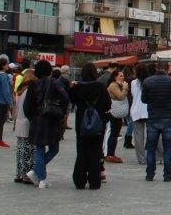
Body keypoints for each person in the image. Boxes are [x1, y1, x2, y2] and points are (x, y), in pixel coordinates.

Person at [22, 59, 69, 189]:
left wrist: (33, 117)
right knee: (54, 149)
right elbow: (65, 97)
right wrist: (61, 112)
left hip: (37, 120)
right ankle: (38, 174)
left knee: (40, 148)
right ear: (49, 70)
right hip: (53, 119)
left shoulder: (33, 84)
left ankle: (39, 176)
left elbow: (27, 106)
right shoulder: (54, 82)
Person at [68, 63, 110, 190]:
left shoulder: (78, 87)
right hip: (98, 124)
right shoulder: (101, 87)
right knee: (96, 151)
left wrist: (72, 88)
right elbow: (108, 105)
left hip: (82, 123)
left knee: (82, 151)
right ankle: (94, 180)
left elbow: (72, 101)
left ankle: (79, 180)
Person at [141, 61, 171, 181]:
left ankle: (150, 174)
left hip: (153, 117)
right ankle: (167, 175)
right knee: (168, 148)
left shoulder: (147, 81)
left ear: (156, 68)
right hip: (168, 117)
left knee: (151, 148)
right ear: (167, 68)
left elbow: (144, 99)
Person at [13, 68, 36, 184]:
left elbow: (15, 109)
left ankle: (19, 174)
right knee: (29, 151)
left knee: (20, 151)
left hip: (19, 122)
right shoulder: (30, 91)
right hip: (27, 123)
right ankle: (27, 175)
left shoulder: (19, 91)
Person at [105, 70, 130, 165]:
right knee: (113, 133)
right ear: (115, 77)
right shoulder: (113, 85)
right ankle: (110, 154)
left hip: (117, 112)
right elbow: (120, 96)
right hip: (114, 112)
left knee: (115, 133)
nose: (123, 77)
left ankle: (111, 153)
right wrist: (125, 88)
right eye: (121, 76)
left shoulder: (117, 85)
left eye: (123, 76)